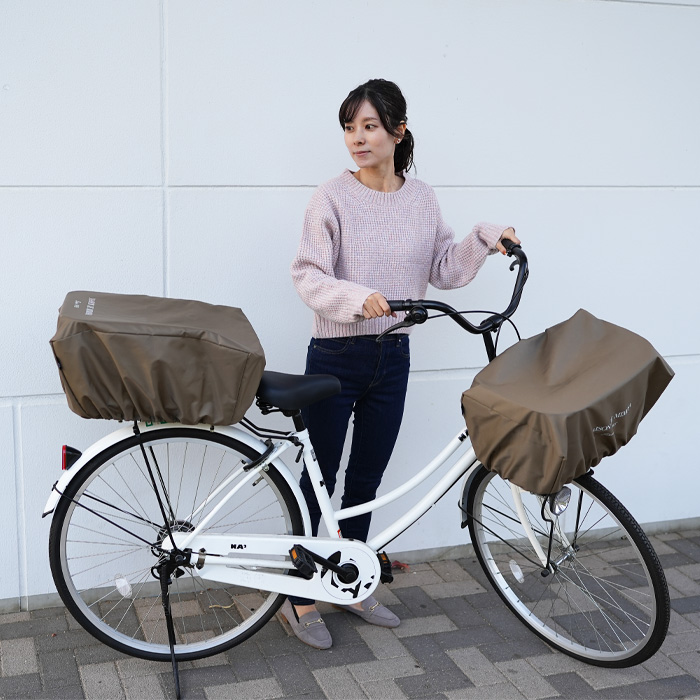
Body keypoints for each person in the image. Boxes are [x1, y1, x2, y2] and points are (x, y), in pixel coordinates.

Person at [284, 78, 520, 649]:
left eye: (368, 127)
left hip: (394, 356)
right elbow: (308, 274)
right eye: (349, 128)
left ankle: (351, 580)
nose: (357, 139)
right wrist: (355, 298)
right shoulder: (330, 198)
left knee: (366, 478)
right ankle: (299, 597)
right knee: (320, 480)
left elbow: (444, 269)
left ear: (398, 131)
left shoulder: (422, 197)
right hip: (337, 355)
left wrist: (488, 237)